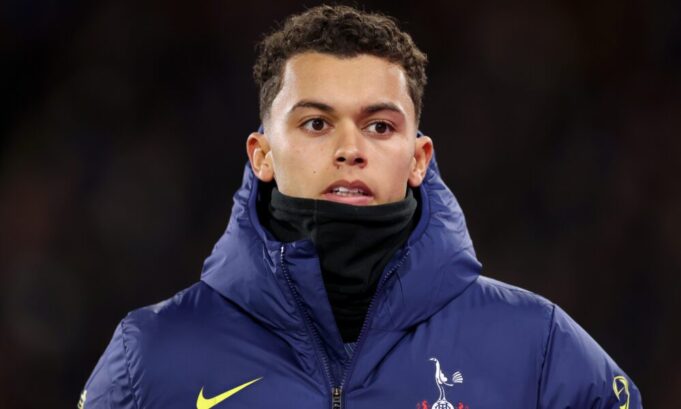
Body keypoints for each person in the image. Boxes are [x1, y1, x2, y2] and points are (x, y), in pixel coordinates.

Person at [81, 5, 642, 409]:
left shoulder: (537, 349)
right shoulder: (150, 356)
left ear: (418, 158)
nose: (350, 149)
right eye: (316, 123)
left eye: (379, 126)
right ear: (262, 154)